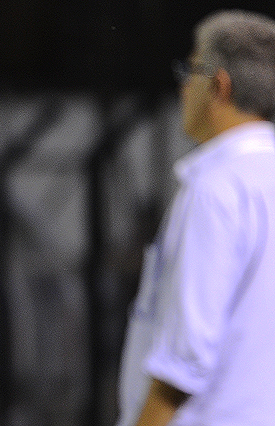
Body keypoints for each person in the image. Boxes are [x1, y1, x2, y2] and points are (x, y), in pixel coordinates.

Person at [116, 9, 275, 426]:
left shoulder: (216, 188)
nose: (184, 87)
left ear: (219, 85)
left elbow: (184, 360)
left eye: (191, 70)